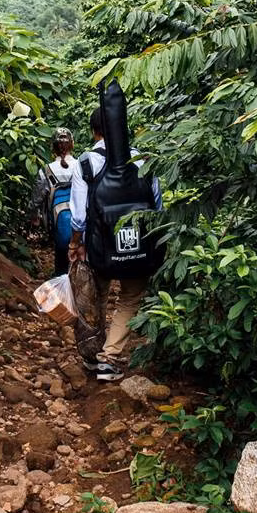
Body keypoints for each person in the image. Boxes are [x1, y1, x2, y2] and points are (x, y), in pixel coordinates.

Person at [69, 106, 162, 382]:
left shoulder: (85, 163)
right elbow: (157, 206)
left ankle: (91, 354)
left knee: (95, 297)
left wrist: (75, 245)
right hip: (137, 247)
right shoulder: (143, 161)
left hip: (99, 249)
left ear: (94, 130)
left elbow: (78, 216)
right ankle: (108, 358)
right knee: (130, 299)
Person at [29, 128, 76, 275]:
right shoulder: (80, 166)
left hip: (57, 221)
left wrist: (34, 216)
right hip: (79, 224)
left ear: (53, 148)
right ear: (72, 145)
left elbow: (37, 198)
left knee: (61, 255)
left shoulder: (47, 170)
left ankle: (60, 284)